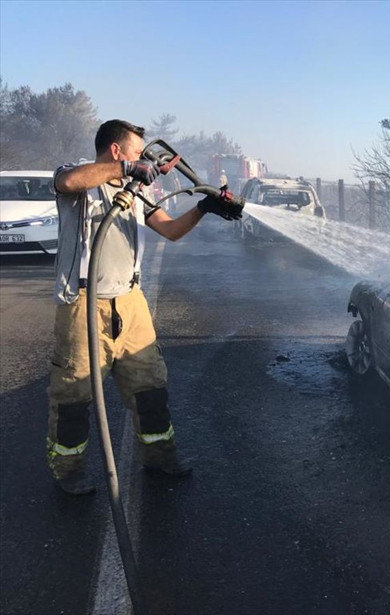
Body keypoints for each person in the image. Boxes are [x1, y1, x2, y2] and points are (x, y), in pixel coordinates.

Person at [47, 119, 243, 495]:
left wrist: (204, 207)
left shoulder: (134, 193)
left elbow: (171, 230)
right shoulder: (78, 183)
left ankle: (160, 459)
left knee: (150, 389)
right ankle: (67, 471)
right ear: (116, 151)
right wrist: (126, 170)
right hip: (83, 306)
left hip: (131, 303)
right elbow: (68, 181)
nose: (145, 160)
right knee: (74, 396)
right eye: (138, 153)